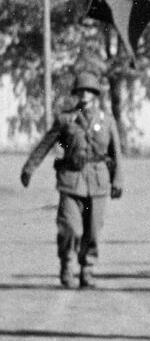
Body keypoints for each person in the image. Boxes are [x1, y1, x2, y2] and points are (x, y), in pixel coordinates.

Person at [20, 71, 123, 289]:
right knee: (70, 229)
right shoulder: (66, 119)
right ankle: (67, 265)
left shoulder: (107, 120)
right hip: (71, 181)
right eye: (81, 90)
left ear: (95, 93)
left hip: (98, 181)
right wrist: (29, 168)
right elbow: (45, 144)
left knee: (93, 231)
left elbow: (116, 153)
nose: (85, 94)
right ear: (76, 93)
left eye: (89, 90)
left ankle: (87, 269)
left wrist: (118, 180)